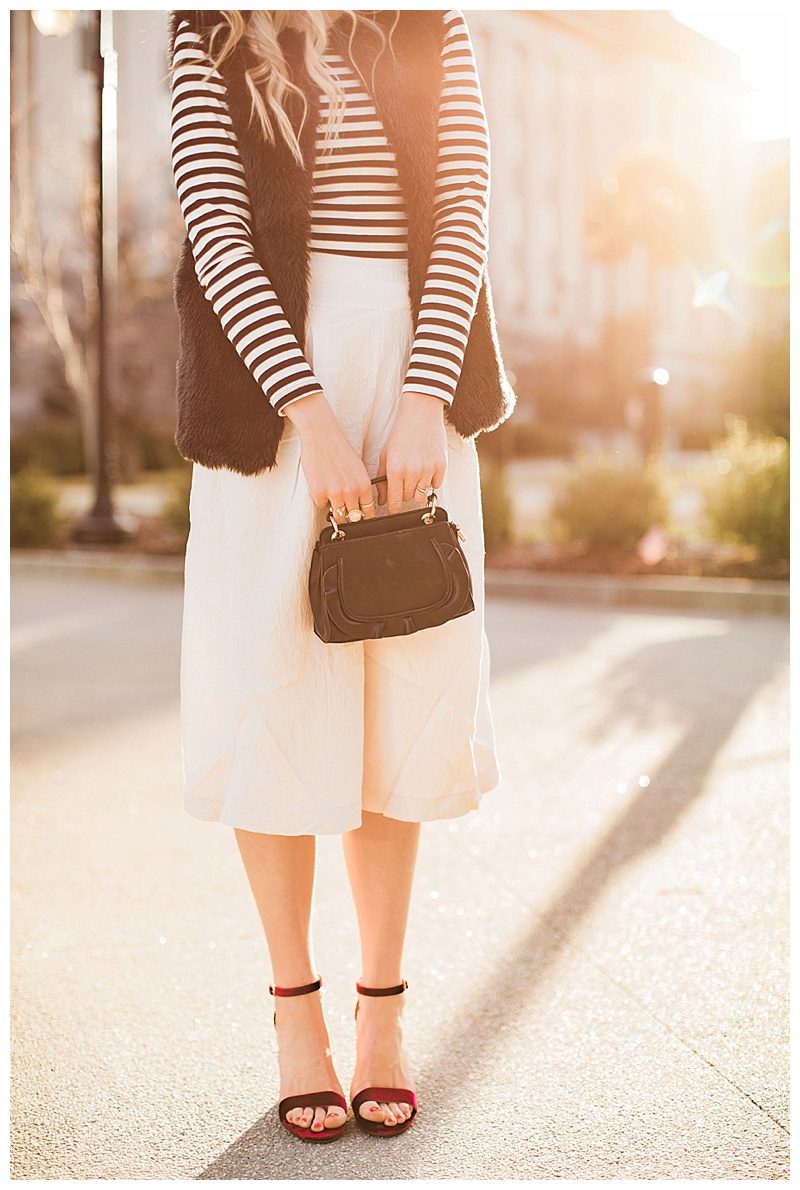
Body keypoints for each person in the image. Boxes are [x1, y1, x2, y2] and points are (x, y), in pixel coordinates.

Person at [167, 7, 514, 1142]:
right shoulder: (211, 24)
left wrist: (422, 394)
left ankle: (381, 1010)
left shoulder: (428, 21)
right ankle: (294, 1010)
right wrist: (305, 412)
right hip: (274, 386)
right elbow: (216, 226)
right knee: (272, 691)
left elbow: (463, 204)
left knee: (394, 698)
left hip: (414, 368)